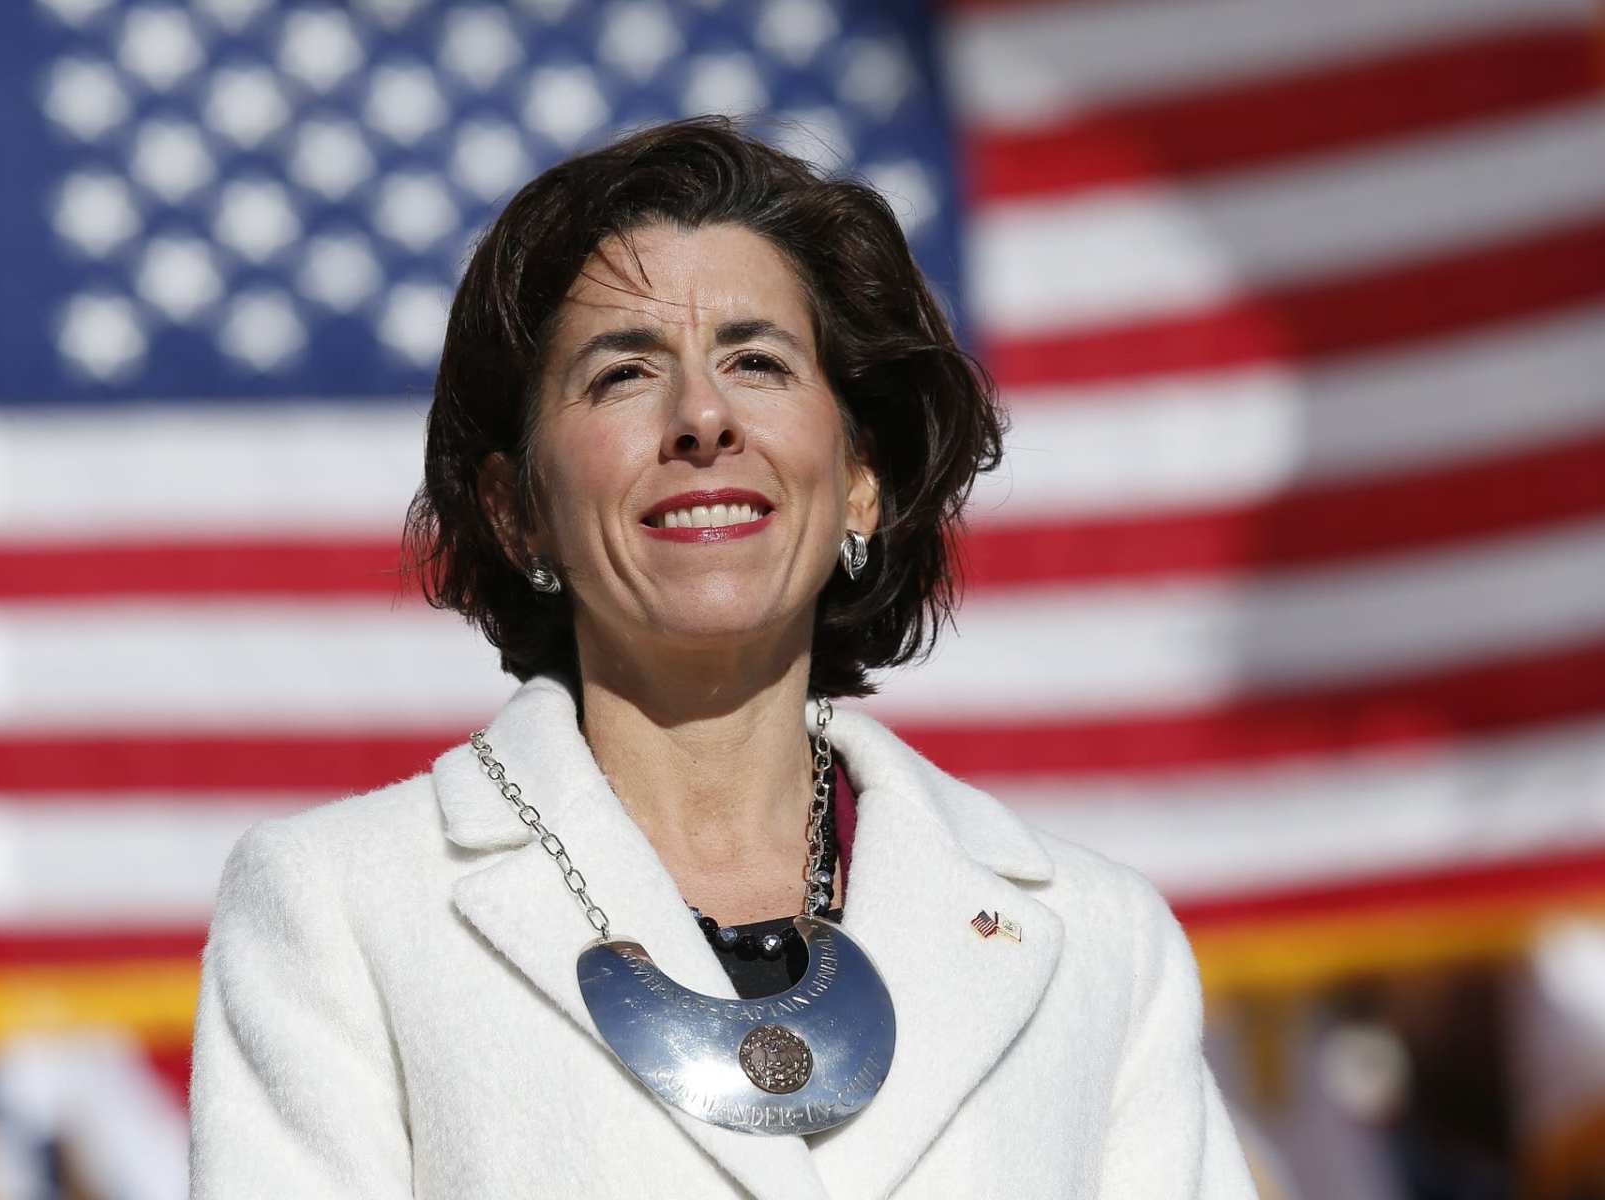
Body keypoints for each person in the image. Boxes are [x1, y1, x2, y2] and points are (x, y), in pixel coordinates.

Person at [188, 115, 1258, 1199]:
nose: (702, 417)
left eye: (756, 361)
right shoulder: (339, 909)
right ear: (519, 514)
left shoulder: (1101, 942)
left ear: (859, 479)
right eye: (622, 375)